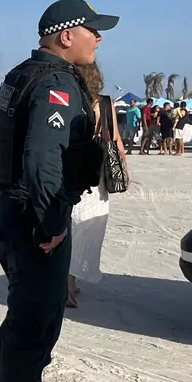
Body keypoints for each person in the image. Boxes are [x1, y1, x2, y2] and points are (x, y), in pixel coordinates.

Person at [0, 0, 118, 382]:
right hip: (35, 220)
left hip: (12, 212)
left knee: (23, 313)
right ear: (66, 35)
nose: (99, 38)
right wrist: (51, 223)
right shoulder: (56, 83)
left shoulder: (21, 75)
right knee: (38, 323)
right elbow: (44, 159)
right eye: (92, 30)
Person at [67, 66, 127, 307]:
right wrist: (123, 167)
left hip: (71, 169)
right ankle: (69, 282)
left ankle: (66, 280)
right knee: (87, 225)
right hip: (96, 172)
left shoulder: (70, 98)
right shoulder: (104, 103)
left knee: (69, 223)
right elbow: (115, 139)